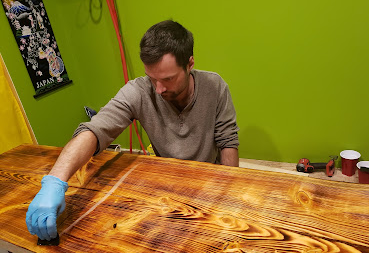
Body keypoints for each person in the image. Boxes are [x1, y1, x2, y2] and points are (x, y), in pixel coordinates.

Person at [26, 20, 239, 241]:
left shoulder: (215, 86)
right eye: (152, 78)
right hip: (170, 185)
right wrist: (55, 181)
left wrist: (230, 194)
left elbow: (228, 141)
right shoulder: (138, 91)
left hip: (211, 181)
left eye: (168, 79)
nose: (159, 89)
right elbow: (95, 130)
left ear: (190, 64)